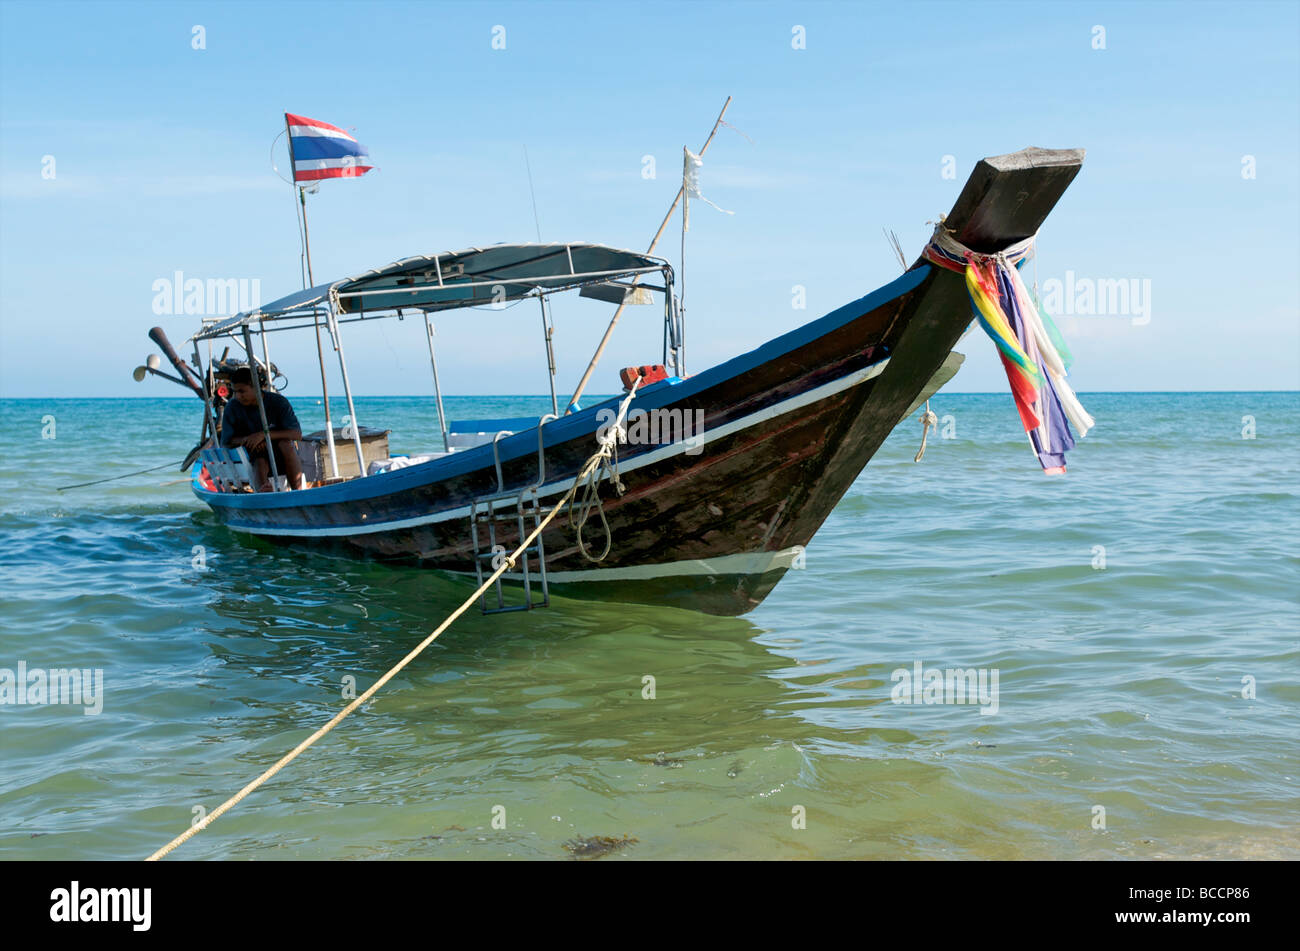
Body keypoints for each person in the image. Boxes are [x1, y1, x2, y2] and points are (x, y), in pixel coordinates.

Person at [220, 367, 307, 491]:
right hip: (253, 456)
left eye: (242, 391)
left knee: (286, 444)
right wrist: (248, 440)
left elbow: (296, 434)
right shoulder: (232, 407)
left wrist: (264, 435)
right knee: (260, 459)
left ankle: (297, 491)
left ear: (255, 386)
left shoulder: (277, 402)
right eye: (235, 391)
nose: (238, 396)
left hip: (282, 455)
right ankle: (264, 491)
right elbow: (227, 440)